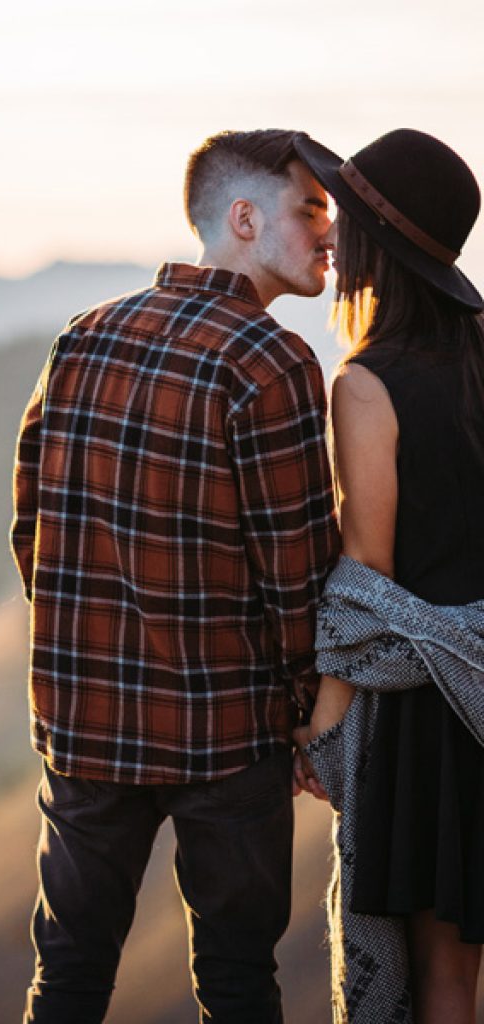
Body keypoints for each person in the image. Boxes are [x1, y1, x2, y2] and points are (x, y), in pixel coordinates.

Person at [9, 129, 340, 1024]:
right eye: (311, 210)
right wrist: (312, 712)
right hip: (225, 735)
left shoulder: (83, 335)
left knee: (68, 975)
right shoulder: (271, 364)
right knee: (236, 980)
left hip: (83, 725)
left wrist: (81, 649)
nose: (330, 235)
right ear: (243, 218)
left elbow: (30, 528)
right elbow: (298, 573)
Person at [292, 129, 484, 1024]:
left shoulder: (368, 383)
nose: (334, 242)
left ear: (379, 247)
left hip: (429, 721)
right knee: (464, 975)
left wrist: (323, 725)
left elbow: (366, 578)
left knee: (430, 982)